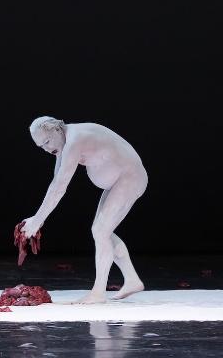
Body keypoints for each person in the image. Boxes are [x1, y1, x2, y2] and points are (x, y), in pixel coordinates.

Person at [22, 116, 148, 304]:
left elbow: (59, 187)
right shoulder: (64, 143)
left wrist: (37, 220)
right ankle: (131, 280)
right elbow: (55, 183)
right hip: (120, 181)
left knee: (100, 231)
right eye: (41, 146)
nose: (47, 149)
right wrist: (37, 218)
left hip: (130, 177)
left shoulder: (75, 139)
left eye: (47, 142)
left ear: (57, 129)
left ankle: (98, 293)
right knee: (102, 231)